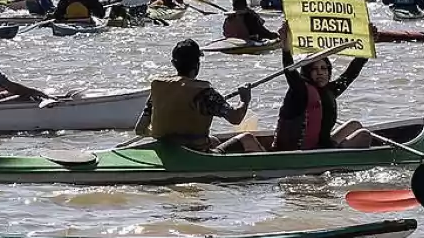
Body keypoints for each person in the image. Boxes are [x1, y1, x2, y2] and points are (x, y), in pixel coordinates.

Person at [132, 40, 261, 152]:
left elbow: (140, 129)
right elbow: (236, 118)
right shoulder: (204, 93)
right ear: (197, 64)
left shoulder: (158, 88)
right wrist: (244, 100)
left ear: (173, 63)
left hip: (166, 151)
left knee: (214, 141)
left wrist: (169, 137)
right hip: (196, 154)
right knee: (247, 138)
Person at [272, 24, 369, 150]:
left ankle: (338, 149)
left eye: (324, 68)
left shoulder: (330, 90)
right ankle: (339, 155)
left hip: (322, 144)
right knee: (364, 136)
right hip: (302, 150)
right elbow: (290, 72)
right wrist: (286, 49)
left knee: (354, 125)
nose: (320, 73)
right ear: (307, 72)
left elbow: (350, 74)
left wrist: (367, 44)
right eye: (314, 69)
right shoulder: (300, 91)